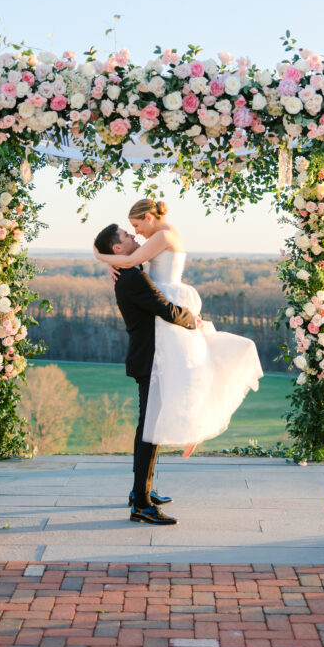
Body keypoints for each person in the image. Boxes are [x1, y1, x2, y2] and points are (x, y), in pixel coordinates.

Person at [94, 198, 264, 459]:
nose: (136, 231)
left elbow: (130, 261)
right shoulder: (162, 235)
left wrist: (99, 256)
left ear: (149, 218)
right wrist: (112, 261)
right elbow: (129, 260)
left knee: (186, 372)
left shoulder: (163, 235)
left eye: (136, 225)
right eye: (131, 229)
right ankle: (187, 432)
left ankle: (192, 426)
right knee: (183, 373)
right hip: (166, 298)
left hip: (168, 299)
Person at [92, 221, 197, 526]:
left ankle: (143, 491)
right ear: (118, 249)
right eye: (127, 235)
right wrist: (194, 320)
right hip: (150, 360)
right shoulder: (133, 278)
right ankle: (141, 504)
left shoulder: (130, 273)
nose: (134, 235)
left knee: (150, 429)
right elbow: (164, 308)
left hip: (150, 358)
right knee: (149, 432)